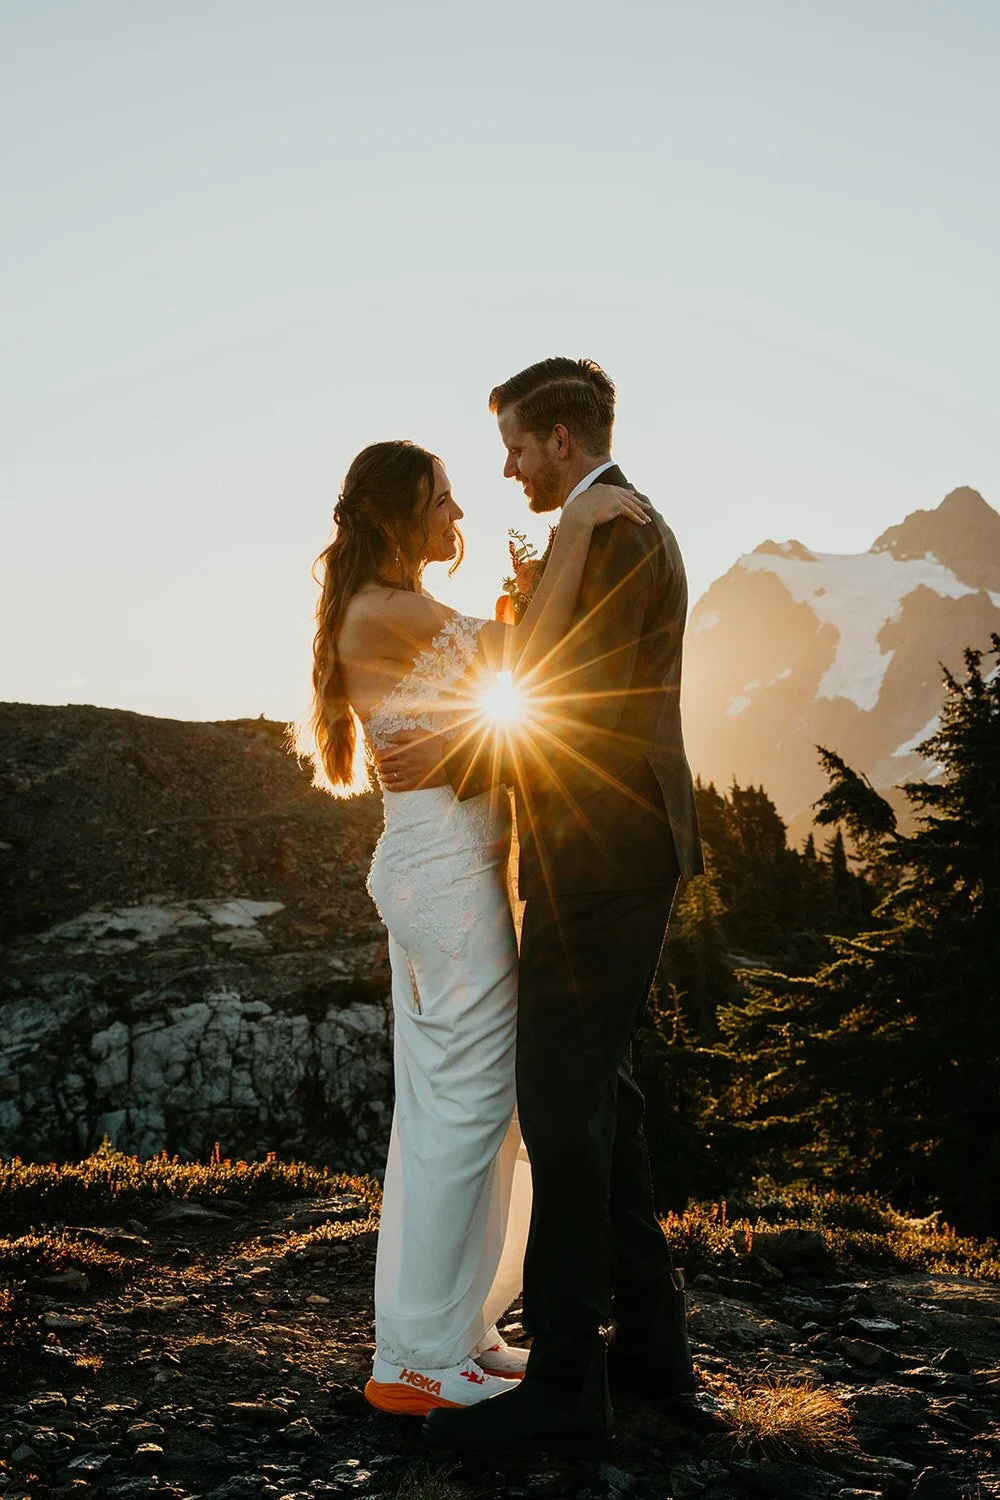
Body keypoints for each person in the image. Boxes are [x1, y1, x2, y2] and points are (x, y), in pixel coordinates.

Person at [375, 359, 706, 1454]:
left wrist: (456, 748)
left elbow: (574, 695)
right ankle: (653, 1359)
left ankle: (567, 1392)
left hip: (600, 846)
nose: (507, 468)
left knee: (559, 1103)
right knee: (599, 1090)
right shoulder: (612, 518)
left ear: (560, 440)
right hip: (609, 843)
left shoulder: (607, 525)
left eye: (515, 446)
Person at [309, 438, 648, 1416]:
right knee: (461, 1116)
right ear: (398, 515)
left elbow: (491, 674)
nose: (458, 518)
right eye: (443, 503)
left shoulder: (393, 610)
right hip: (446, 882)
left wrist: (523, 594)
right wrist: (575, 527)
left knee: (456, 1113)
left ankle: (447, 1335)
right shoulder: (391, 608)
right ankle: (415, 1365)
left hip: (445, 873)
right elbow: (531, 659)